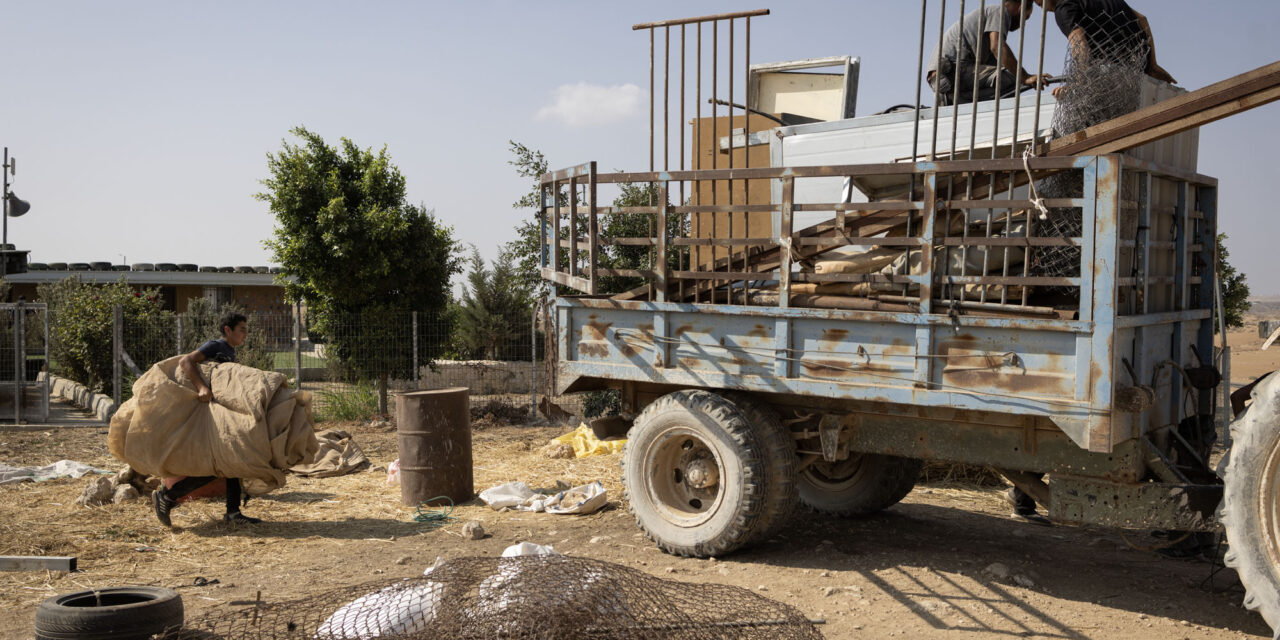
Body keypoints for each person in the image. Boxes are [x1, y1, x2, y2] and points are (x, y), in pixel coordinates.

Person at [151, 311, 262, 527]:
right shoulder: (216, 346)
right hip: (205, 416)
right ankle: (167, 497)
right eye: (242, 330)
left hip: (217, 415)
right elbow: (186, 361)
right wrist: (202, 387)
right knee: (216, 466)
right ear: (227, 330)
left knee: (229, 463)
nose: (246, 335)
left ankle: (232, 512)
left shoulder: (229, 352)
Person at [1033, 0, 1175, 97]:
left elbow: (1079, 43)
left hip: (1113, 78)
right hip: (1139, 67)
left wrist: (1077, 84)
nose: (1037, 4)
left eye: (1037, 2)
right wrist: (1152, 64)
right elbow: (1142, 19)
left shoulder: (1063, 9)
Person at [927, 0, 1051, 106]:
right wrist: (1025, 77)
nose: (1023, 23)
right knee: (1011, 80)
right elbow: (997, 46)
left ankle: (953, 98)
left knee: (1009, 85)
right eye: (1026, 17)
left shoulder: (987, 33)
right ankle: (953, 97)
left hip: (945, 75)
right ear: (1021, 7)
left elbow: (998, 66)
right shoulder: (1000, 12)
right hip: (950, 70)